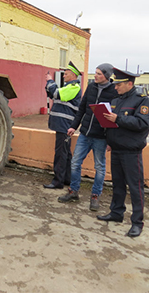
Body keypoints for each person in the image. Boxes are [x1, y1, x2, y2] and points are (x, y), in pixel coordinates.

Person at [96, 68, 149, 237]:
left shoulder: (142, 102)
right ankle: (116, 212)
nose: (116, 88)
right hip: (116, 149)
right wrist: (109, 140)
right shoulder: (116, 101)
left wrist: (118, 119)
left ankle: (137, 222)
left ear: (129, 84)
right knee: (118, 185)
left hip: (131, 152)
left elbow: (142, 123)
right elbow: (112, 123)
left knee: (135, 189)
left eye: (119, 85)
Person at [58, 63, 118, 211]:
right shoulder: (91, 87)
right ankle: (73, 191)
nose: (95, 76)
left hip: (101, 137)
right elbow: (82, 109)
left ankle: (95, 196)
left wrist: (111, 140)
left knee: (100, 167)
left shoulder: (114, 91)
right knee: (75, 163)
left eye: (98, 74)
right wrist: (74, 126)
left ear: (106, 76)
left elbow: (115, 118)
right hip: (85, 134)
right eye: (95, 73)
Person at [43, 61, 82, 189]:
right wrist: (49, 86)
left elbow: (56, 94)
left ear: (73, 75)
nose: (63, 76)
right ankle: (67, 179)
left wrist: (50, 81)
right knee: (65, 153)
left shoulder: (74, 87)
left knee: (61, 154)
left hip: (64, 125)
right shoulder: (68, 87)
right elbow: (52, 94)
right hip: (62, 125)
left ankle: (58, 181)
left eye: (66, 74)